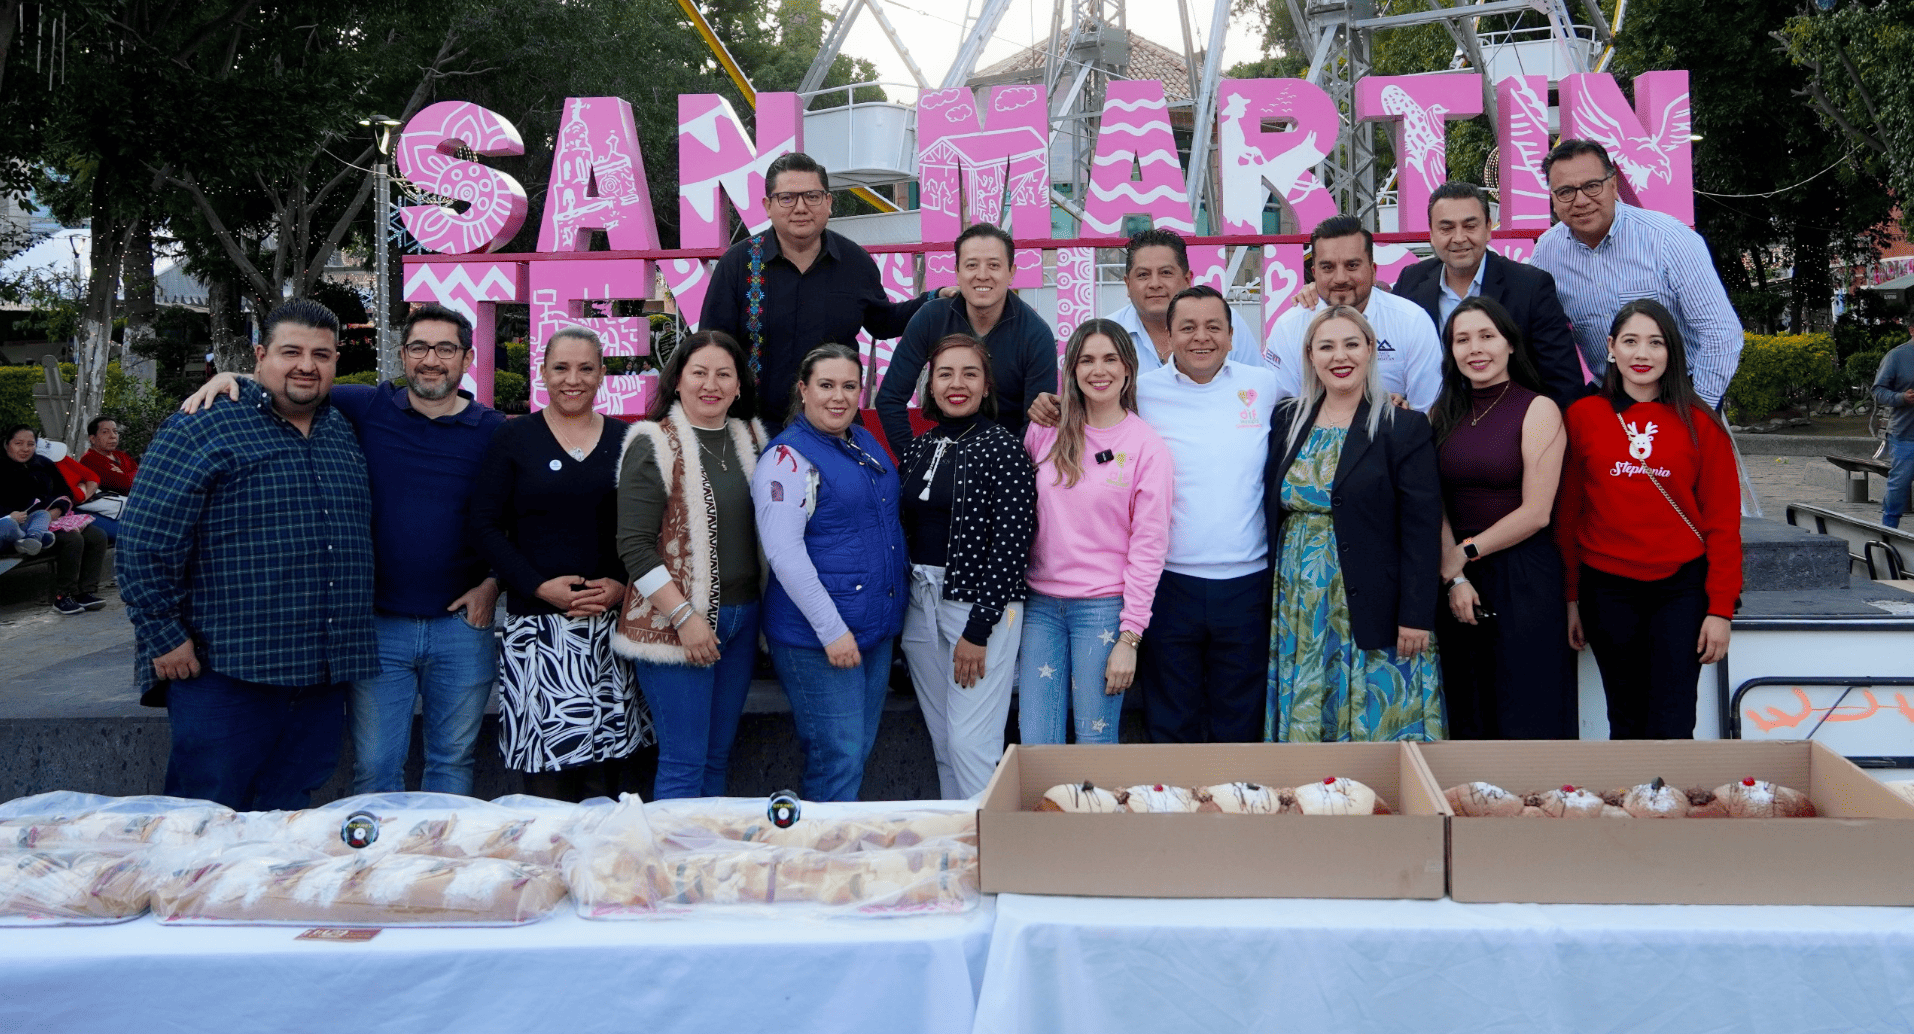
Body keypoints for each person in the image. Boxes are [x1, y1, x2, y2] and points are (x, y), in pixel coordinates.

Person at [183, 304, 508, 796]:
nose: (431, 360)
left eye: (445, 349)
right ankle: (373, 849)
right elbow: (295, 380)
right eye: (419, 347)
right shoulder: (367, 407)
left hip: (462, 629)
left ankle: (438, 847)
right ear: (402, 354)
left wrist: (493, 584)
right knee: (376, 766)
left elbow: (518, 519)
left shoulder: (495, 430)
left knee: (453, 762)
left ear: (467, 357)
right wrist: (231, 378)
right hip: (376, 629)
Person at [118, 300, 376, 810]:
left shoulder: (343, 429)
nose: (306, 365)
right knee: (205, 812)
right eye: (290, 352)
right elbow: (144, 541)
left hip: (321, 671)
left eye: (321, 355)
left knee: (288, 814)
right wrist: (163, 636)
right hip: (225, 670)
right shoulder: (202, 426)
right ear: (260, 356)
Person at [470, 325, 653, 801]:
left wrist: (623, 586)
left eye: (585, 368)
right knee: (546, 784)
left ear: (603, 373)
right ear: (543, 372)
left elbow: (650, 528)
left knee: (608, 782)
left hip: (611, 633)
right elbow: (485, 525)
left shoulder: (628, 440)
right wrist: (535, 586)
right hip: (538, 636)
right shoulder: (514, 438)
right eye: (561, 368)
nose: (573, 380)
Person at [1557, 299, 1742, 739]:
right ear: (1610, 348)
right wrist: (1570, 598)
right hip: (1606, 588)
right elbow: (1568, 516)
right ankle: (1632, 789)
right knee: (1625, 718)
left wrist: (1721, 609)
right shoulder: (1582, 417)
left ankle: (1670, 788)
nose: (1642, 354)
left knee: (1674, 720)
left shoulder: (1701, 423)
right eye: (1630, 341)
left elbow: (1723, 524)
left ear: (1671, 351)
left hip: (1680, 590)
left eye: (1655, 343)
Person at [1265, 305, 1444, 742]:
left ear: (1370, 350)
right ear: (1310, 356)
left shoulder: (1402, 426)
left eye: (1351, 344)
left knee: (1378, 724)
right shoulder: (1287, 420)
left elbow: (1421, 528)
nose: (1339, 356)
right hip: (1300, 607)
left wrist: (1416, 614)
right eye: (1326, 346)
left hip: (1374, 603)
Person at [613, 330, 767, 800]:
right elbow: (634, 546)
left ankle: (706, 849)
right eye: (699, 372)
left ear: (739, 386)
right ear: (677, 380)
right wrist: (685, 617)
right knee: (684, 762)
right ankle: (672, 851)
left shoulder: (752, 438)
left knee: (717, 758)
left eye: (724, 374)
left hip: (742, 620)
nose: (711, 385)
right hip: (674, 624)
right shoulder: (653, 442)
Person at [752, 343, 909, 801]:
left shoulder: (861, 439)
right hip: (819, 638)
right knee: (836, 760)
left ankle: (838, 840)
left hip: (873, 630)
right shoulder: (786, 459)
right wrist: (832, 631)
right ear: (803, 390)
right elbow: (784, 553)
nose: (838, 397)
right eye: (826, 385)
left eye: (849, 386)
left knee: (854, 754)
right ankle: (821, 845)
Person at [1134, 285, 1279, 743]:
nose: (1202, 337)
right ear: (1168, 336)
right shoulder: (1140, 392)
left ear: (1232, 336)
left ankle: (1235, 791)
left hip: (1247, 583)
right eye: (1188, 327)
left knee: (1239, 716)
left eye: (1214, 327)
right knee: (1170, 716)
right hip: (1169, 583)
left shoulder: (1264, 386)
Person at [895, 334, 1037, 799]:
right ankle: (960, 837)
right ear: (930, 385)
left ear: (986, 385)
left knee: (971, 743)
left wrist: (979, 630)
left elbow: (1013, 544)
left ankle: (992, 841)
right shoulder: (920, 447)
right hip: (921, 604)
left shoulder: (1005, 449)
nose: (957, 384)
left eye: (970, 374)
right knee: (943, 741)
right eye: (945, 374)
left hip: (982, 609)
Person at [1019, 319, 1173, 746]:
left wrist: (1130, 637)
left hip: (1103, 611)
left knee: (1095, 743)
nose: (1098, 370)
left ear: (1128, 368)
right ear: (1071, 369)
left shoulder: (1147, 447)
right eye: (1086, 360)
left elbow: (1149, 548)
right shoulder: (1045, 429)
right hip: (1040, 607)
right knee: (1035, 742)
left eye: (1110, 359)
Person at [1430, 297, 1577, 739]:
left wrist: (1464, 552)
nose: (1475, 348)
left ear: (1510, 343)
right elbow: (1431, 501)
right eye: (1462, 339)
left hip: (1523, 576)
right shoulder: (1440, 413)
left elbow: (1537, 512)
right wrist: (1455, 576)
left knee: (1528, 710)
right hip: (1457, 582)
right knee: (1468, 711)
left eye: (1487, 336)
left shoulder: (1539, 409)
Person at [700, 152, 933, 429]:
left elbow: (883, 322)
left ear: (828, 202)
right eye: (787, 198)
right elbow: (711, 346)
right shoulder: (739, 264)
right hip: (755, 428)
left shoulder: (855, 262)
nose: (801, 208)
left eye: (812, 196)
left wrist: (934, 300)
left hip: (836, 425)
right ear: (768, 205)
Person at [1531, 139, 1743, 408]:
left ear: (1613, 184)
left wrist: (1698, 409)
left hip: (1680, 393)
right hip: (1608, 400)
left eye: (1592, 186)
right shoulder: (1547, 253)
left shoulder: (1668, 238)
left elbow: (1720, 332)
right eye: (1565, 192)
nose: (1581, 200)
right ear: (1553, 198)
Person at [1392, 182, 1589, 408]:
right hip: (1428, 421)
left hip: (1512, 422)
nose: (1459, 238)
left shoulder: (1530, 286)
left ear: (1488, 228)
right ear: (1432, 233)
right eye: (1446, 228)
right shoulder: (1410, 282)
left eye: (1470, 226)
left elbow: (1564, 383)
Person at [876, 223, 1059, 451]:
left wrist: (1013, 466)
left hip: (1009, 459)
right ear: (957, 272)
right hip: (943, 453)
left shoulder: (1035, 334)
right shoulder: (931, 318)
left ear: (1011, 272)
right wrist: (911, 458)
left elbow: (1038, 423)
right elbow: (890, 398)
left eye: (994, 265)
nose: (982, 276)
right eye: (972, 265)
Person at [1268, 216, 1444, 412]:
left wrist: (1396, 418)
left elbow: (1427, 410)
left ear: (1373, 270)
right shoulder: (1288, 327)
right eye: (1328, 268)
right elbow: (1283, 412)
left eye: (1352, 265)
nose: (1340, 278)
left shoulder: (1411, 321)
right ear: (1314, 273)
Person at [2, 426, 108, 614]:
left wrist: (58, 509)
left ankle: (85, 592)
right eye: (18, 443)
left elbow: (65, 491)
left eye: (30, 444)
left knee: (97, 536)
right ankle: (63, 596)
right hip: (20, 525)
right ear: (6, 444)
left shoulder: (43, 463)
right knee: (72, 540)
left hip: (54, 518)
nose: (25, 449)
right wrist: (16, 515)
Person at [1871, 327, 1914, 528]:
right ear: (1912, 330)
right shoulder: (1897, 356)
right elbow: (1878, 390)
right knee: (1899, 487)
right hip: (1906, 435)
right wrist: (1901, 398)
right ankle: (1888, 531)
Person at [80, 415, 138, 493]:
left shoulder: (121, 454)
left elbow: (142, 473)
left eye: (115, 431)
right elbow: (125, 484)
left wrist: (125, 474)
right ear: (93, 439)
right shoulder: (89, 460)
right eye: (105, 432)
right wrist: (131, 474)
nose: (113, 436)